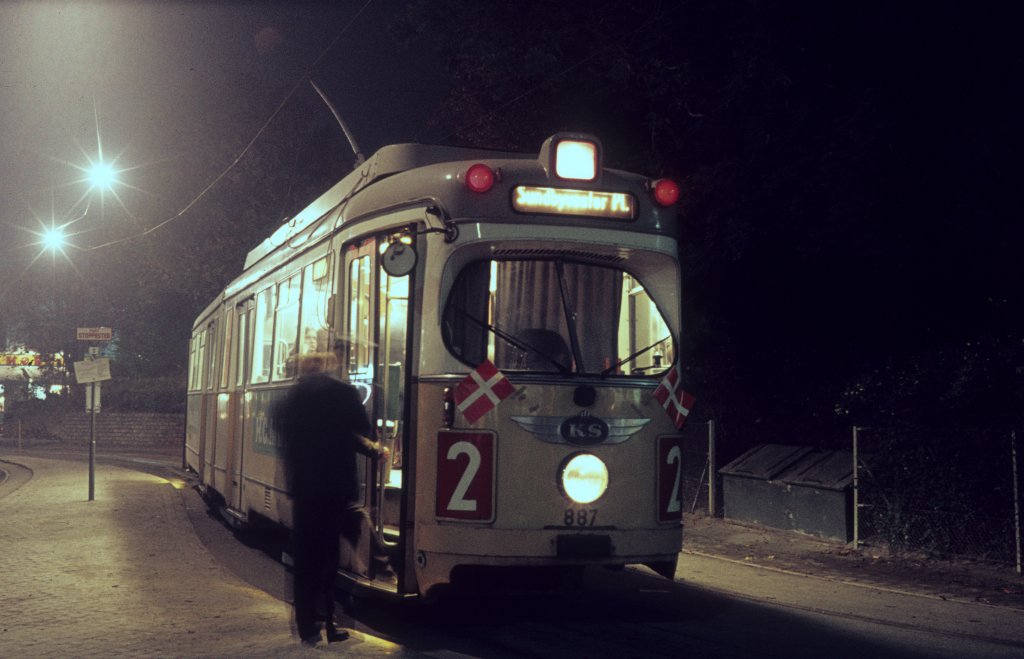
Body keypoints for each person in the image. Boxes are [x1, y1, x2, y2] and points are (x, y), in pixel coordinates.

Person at [271, 348, 390, 647]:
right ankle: (330, 622)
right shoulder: (343, 393)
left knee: (305, 559)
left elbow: (284, 437)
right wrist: (375, 449)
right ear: (330, 366)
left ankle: (306, 627)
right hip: (335, 487)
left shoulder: (289, 399)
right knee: (328, 557)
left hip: (304, 488)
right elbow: (360, 429)